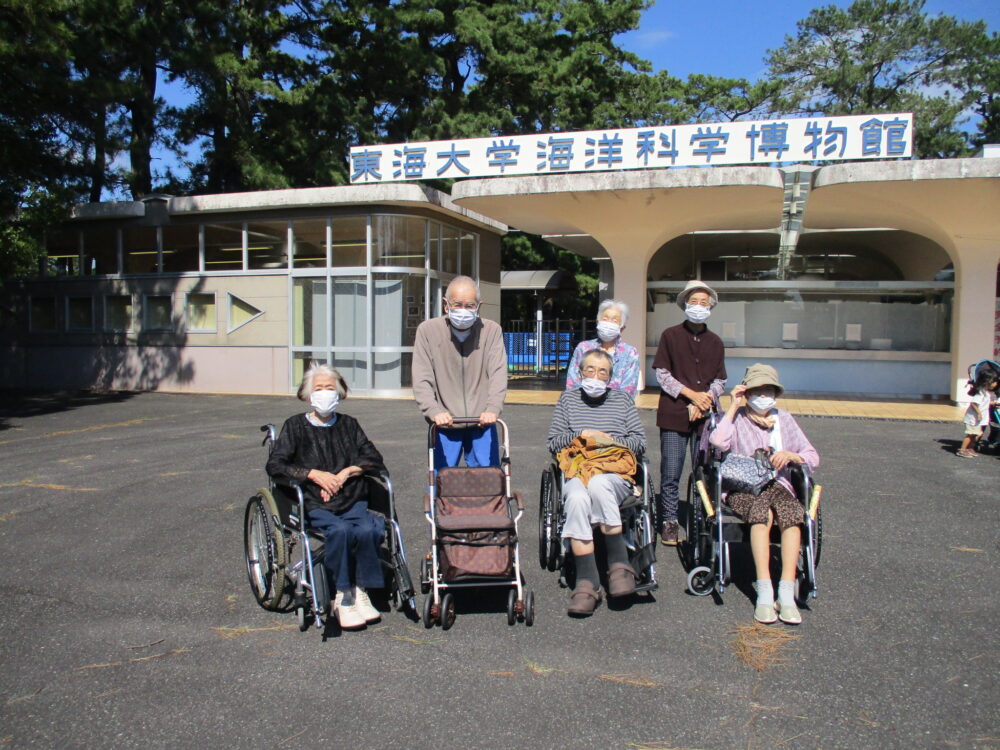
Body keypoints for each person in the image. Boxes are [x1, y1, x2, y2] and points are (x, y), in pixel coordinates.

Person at [266, 364, 386, 630]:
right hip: (312, 500)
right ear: (308, 394)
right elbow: (276, 465)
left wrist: (344, 473)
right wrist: (314, 475)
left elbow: (373, 459)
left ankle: (361, 589)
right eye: (318, 388)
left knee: (369, 528)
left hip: (351, 497)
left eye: (329, 388)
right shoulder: (296, 426)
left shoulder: (349, 425)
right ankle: (343, 595)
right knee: (341, 531)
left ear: (339, 393)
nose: (324, 393)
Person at [710, 364, 819, 625]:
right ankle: (765, 591)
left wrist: (793, 455)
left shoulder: (785, 420)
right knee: (762, 514)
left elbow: (812, 456)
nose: (763, 396)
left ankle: (786, 591)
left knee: (793, 514)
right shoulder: (736, 418)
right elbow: (717, 443)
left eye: (768, 391)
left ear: (776, 394)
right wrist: (733, 406)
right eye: (757, 391)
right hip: (742, 486)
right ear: (746, 393)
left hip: (778, 485)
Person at [547, 349, 647, 617]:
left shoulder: (622, 401)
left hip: (613, 471)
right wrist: (582, 436)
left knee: (600, 485)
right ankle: (587, 581)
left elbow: (639, 442)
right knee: (578, 498)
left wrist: (608, 441)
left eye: (602, 371)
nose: (595, 375)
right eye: (589, 369)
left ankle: (618, 566)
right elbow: (553, 442)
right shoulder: (567, 401)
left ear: (610, 377)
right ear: (580, 372)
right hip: (578, 469)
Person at [652, 280, 727, 545]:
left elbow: (720, 381)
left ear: (711, 308)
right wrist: (690, 395)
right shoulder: (670, 336)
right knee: (671, 471)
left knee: (703, 471)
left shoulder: (716, 342)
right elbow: (662, 374)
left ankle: (701, 519)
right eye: (693, 302)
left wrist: (703, 400)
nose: (698, 307)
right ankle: (669, 522)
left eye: (703, 303)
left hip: (705, 417)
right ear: (684, 304)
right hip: (674, 413)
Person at [412, 275, 508, 469]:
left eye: (470, 305)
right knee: (442, 483)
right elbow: (422, 378)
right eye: (458, 304)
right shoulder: (427, 331)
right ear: (446, 305)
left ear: (479, 306)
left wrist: (492, 408)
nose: (463, 311)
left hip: (482, 422)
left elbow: (498, 373)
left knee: (488, 482)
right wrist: (434, 411)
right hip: (444, 423)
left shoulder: (491, 331)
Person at [565, 299, 640, 398]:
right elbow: (572, 382)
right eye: (605, 319)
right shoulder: (583, 348)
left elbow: (629, 389)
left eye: (614, 320)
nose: (609, 323)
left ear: (622, 327)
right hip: (582, 408)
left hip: (615, 409)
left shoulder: (630, 353)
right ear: (598, 322)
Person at [958, 366, 999, 458]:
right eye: (994, 381)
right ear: (988, 382)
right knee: (970, 435)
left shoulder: (986, 393)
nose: (996, 384)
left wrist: (993, 403)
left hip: (979, 419)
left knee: (976, 434)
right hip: (974, 418)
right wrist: (979, 413)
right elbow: (974, 404)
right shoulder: (980, 393)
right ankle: (963, 450)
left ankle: (969, 449)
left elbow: (986, 402)